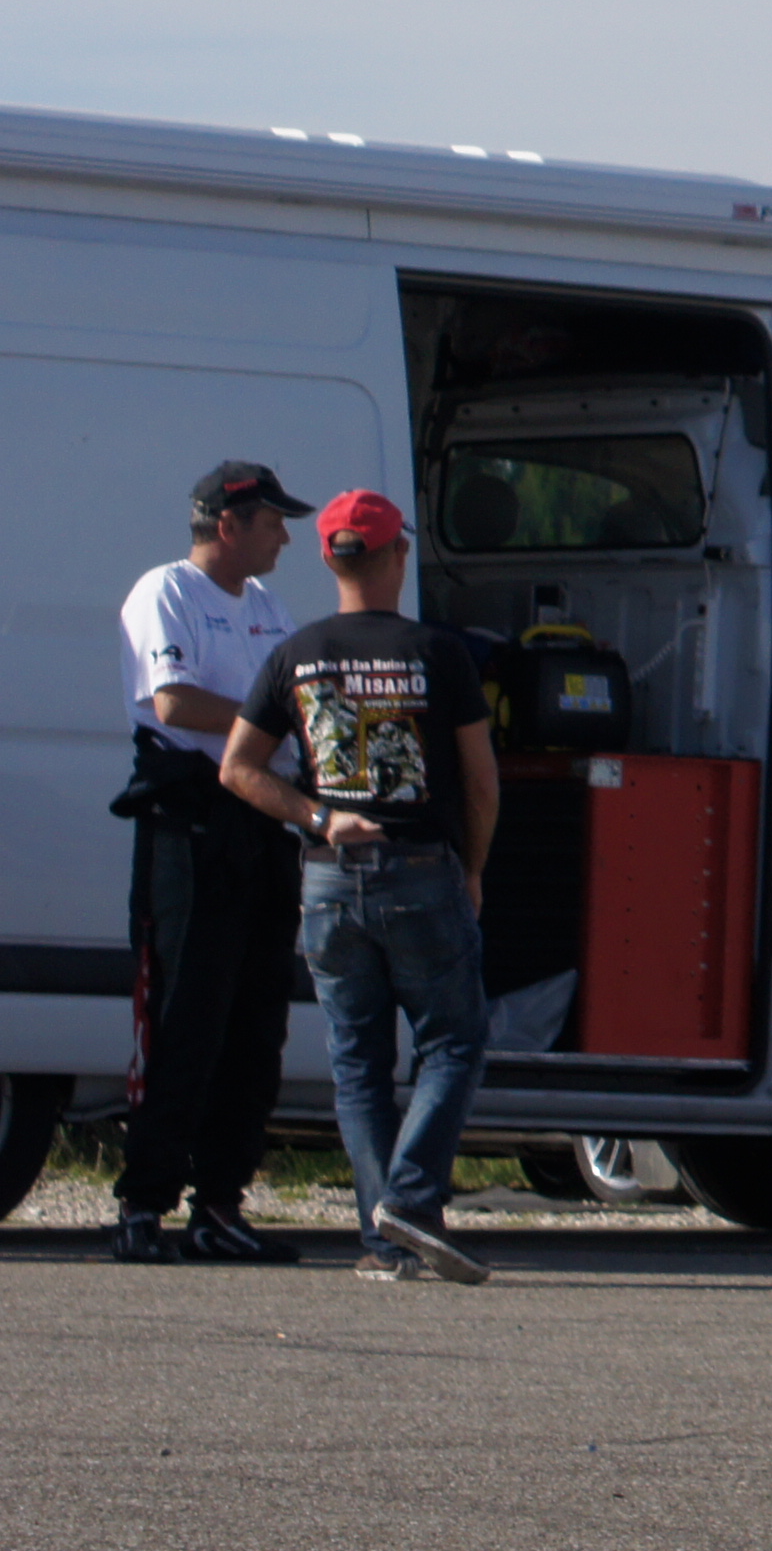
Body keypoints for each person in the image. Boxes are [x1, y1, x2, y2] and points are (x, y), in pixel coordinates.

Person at [222, 490, 499, 1286]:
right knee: (455, 1041)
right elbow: (481, 782)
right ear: (398, 554)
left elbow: (236, 767)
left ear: (327, 558)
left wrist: (318, 816)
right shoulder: (438, 653)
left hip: (327, 878)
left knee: (358, 1063)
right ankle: (409, 1199)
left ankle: (387, 1243)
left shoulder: (296, 654)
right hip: (419, 871)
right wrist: (473, 869)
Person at [107, 460, 317, 1266]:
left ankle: (221, 1203)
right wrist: (268, 722)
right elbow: (175, 702)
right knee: (183, 1020)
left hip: (261, 823)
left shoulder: (265, 606)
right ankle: (144, 1202)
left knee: (257, 1024)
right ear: (227, 525)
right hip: (191, 827)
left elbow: (301, 708)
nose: (285, 537)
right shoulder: (166, 592)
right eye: (272, 522)